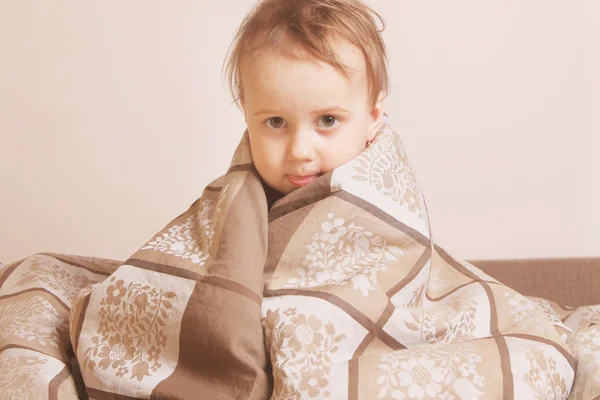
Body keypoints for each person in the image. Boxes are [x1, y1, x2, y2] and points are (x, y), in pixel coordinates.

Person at [223, 0, 389, 208]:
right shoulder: (226, 210)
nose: (300, 152)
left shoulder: (386, 222)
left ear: (372, 117)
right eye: (276, 122)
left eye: (328, 121)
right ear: (246, 112)